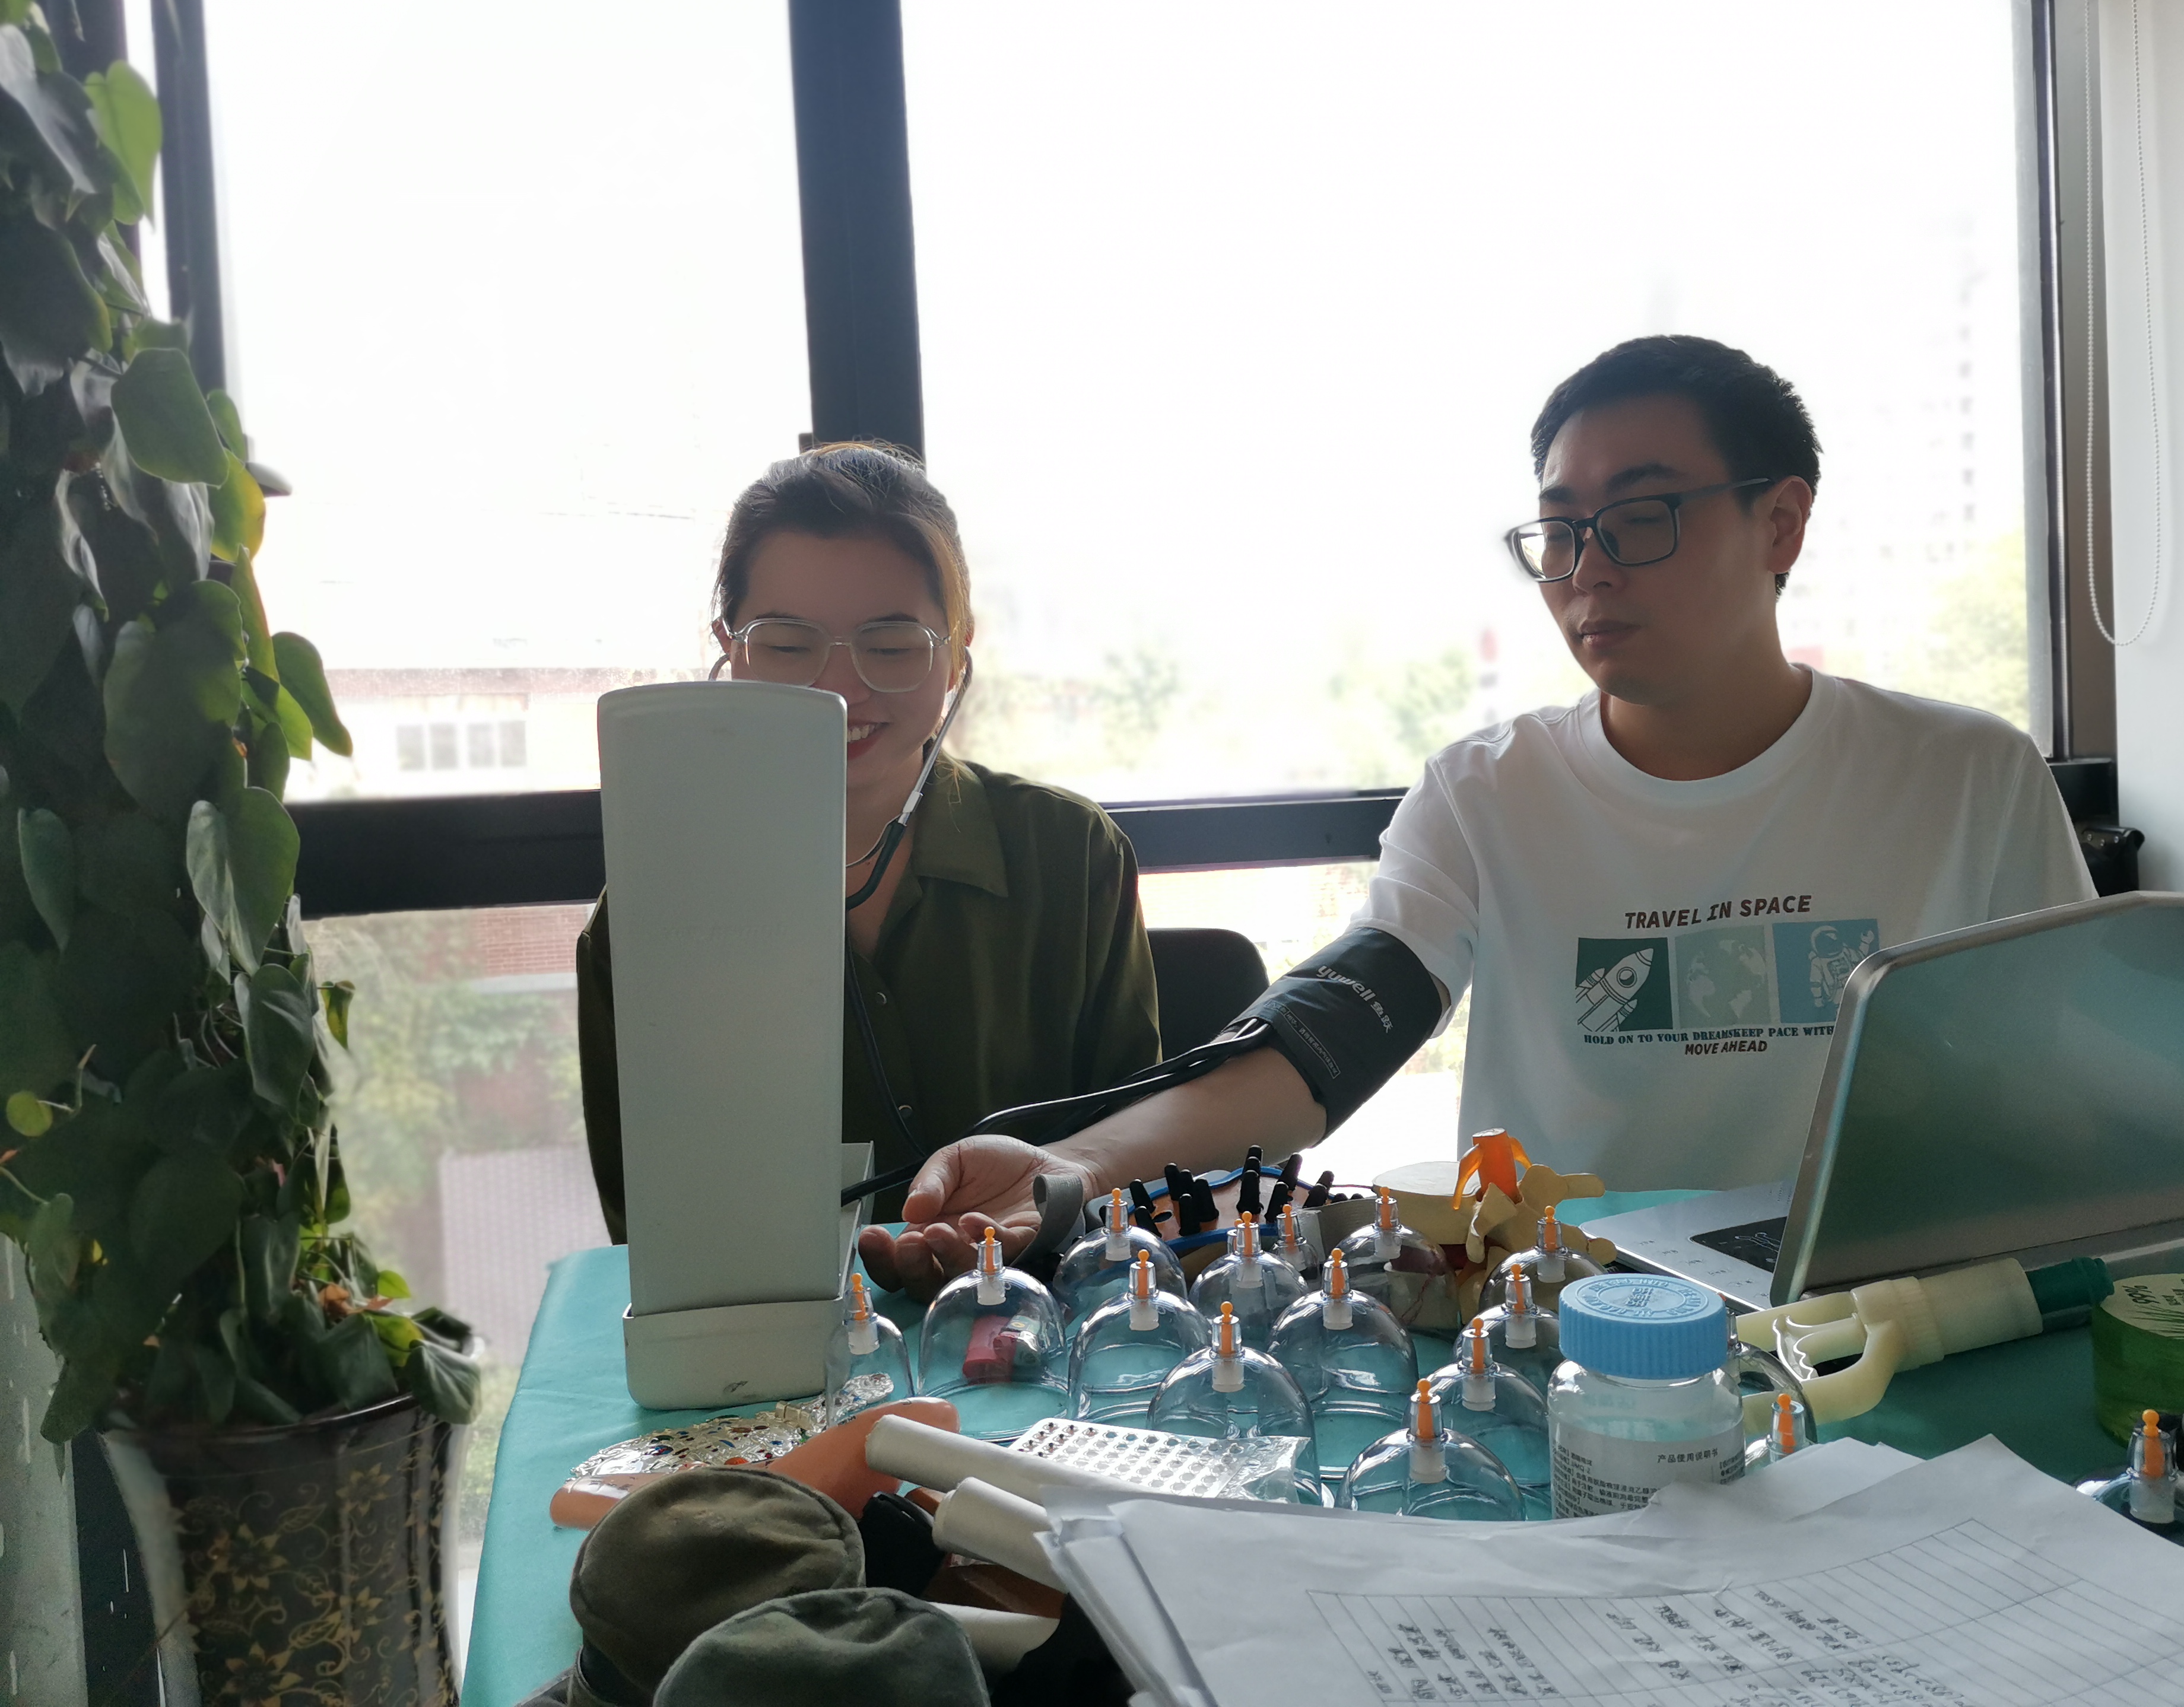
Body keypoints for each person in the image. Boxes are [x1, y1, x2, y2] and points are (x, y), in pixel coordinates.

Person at [888, 336, 2094, 1280]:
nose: (1588, 568)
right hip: (1567, 1325)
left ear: (1779, 522)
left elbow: (2069, 1096)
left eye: (1640, 517)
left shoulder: (1963, 779)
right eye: (1560, 530)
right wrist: (1068, 1167)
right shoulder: (1488, 794)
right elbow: (1335, 1029)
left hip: (1878, 1314)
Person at [575, 445, 1161, 1291]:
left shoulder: (1072, 857)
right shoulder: (651, 915)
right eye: (788, 644)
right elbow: (653, 1228)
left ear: (957, 653)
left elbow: (1135, 1154)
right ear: (730, 651)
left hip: (1044, 1315)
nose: (841, 689)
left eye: (889, 645)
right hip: (774, 1336)